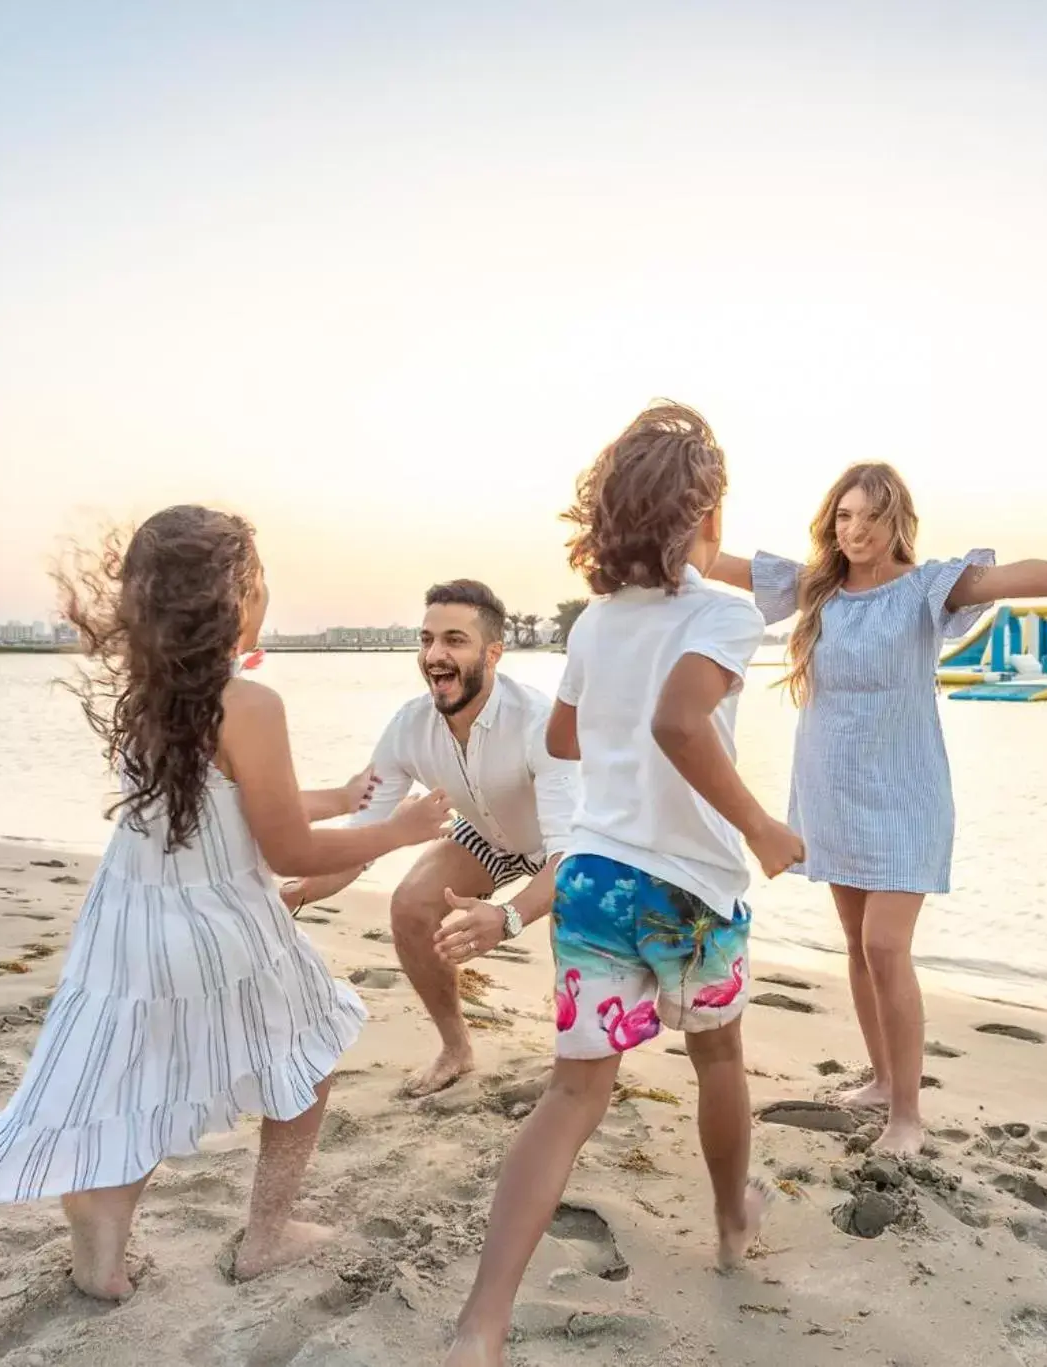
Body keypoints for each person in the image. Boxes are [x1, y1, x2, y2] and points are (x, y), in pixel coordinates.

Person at [0, 505, 451, 1298]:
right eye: (259, 574)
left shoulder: (148, 696)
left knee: (144, 1076)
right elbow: (287, 849)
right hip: (220, 924)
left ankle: (105, 1239)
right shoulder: (249, 702)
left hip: (134, 918)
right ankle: (268, 1234)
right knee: (309, 1055)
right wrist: (399, 829)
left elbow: (233, 802)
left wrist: (339, 794)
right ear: (235, 594)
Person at [445, 403, 802, 1367]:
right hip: (690, 887)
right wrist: (764, 825)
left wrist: (608, 713)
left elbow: (562, 738)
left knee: (571, 1096)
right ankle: (731, 1221)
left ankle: (482, 1324)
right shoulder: (725, 611)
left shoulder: (598, 620)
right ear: (702, 519)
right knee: (719, 1060)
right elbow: (681, 725)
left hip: (594, 880)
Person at [708, 465, 1047, 1155]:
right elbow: (714, 561)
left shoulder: (924, 588)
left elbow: (1016, 578)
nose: (855, 530)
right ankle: (883, 1079)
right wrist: (649, 522)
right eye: (844, 516)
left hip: (906, 790)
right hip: (832, 787)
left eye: (870, 517)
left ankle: (907, 1115)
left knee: (887, 944)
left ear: (897, 521)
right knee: (857, 946)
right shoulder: (815, 587)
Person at [281, 579, 578, 1097]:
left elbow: (569, 855)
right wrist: (296, 893)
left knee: (574, 923)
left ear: (493, 652)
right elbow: (366, 836)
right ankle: (456, 1048)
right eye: (426, 640)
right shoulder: (408, 726)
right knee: (411, 904)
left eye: (454, 640)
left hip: (573, 846)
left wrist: (508, 917)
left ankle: (577, 1070)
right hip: (487, 832)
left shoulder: (539, 723)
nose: (435, 655)